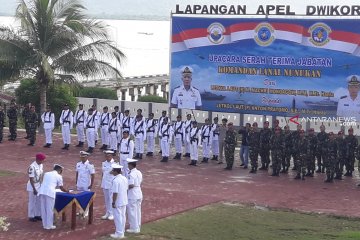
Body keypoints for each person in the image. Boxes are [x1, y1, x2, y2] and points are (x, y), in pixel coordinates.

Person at [38, 164, 69, 230]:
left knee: (43, 209)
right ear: (60, 170)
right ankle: (49, 225)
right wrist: (67, 191)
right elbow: (61, 187)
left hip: (42, 191)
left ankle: (45, 225)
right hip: (50, 193)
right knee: (49, 209)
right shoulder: (59, 176)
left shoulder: (46, 173)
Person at [110, 163, 128, 239]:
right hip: (124, 200)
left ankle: (119, 233)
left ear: (115, 171)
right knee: (123, 216)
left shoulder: (115, 180)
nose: (112, 172)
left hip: (118, 201)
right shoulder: (124, 178)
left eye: (113, 170)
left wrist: (113, 202)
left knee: (118, 217)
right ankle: (122, 231)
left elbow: (115, 193)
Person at [27, 153, 46, 222]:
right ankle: (31, 216)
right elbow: (31, 179)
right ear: (38, 159)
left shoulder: (41, 165)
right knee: (32, 201)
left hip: (39, 185)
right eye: (42, 160)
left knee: (38, 201)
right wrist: (34, 189)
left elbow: (41, 175)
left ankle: (37, 215)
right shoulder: (32, 167)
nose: (43, 161)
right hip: (33, 186)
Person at [126, 158, 143, 234]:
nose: (128, 166)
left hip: (133, 193)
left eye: (128, 164)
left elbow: (131, 185)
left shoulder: (131, 174)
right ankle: (138, 224)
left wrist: (125, 189)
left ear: (130, 165)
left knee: (132, 211)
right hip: (139, 191)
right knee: (138, 210)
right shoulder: (139, 172)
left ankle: (134, 227)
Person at [101, 150, 116, 221]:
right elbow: (103, 173)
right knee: (106, 199)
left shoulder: (115, 164)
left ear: (112, 156)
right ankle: (107, 212)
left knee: (111, 199)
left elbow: (118, 174)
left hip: (111, 184)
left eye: (108, 155)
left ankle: (112, 213)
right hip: (105, 183)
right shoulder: (103, 163)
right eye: (106, 155)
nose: (107, 157)